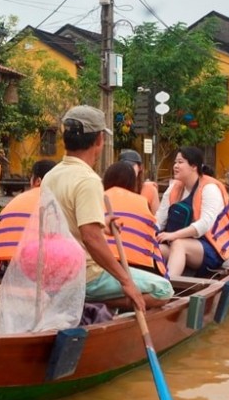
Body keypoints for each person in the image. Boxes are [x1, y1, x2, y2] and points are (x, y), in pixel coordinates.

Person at [42, 105, 172, 312]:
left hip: (50, 272)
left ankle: (80, 299)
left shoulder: (52, 175)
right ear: (99, 140)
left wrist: (102, 227)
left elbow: (65, 224)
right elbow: (91, 239)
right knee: (163, 289)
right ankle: (86, 302)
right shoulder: (88, 179)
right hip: (82, 276)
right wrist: (125, 280)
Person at [155, 146, 229, 279]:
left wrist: (173, 235)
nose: (175, 166)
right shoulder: (174, 187)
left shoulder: (210, 189)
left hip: (210, 249)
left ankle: (168, 285)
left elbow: (204, 225)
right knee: (153, 248)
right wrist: (147, 235)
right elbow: (159, 220)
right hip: (176, 244)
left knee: (179, 243)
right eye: (175, 162)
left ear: (194, 166)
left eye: (180, 162)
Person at [0, 158, 56, 272]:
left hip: (6, 269)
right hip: (35, 272)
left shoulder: (14, 201)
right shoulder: (55, 201)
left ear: (37, 181)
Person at [102, 161, 168, 279]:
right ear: (133, 182)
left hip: (101, 265)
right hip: (139, 267)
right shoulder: (141, 201)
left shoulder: (96, 199)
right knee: (164, 291)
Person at [118, 149, 159, 214]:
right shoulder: (116, 189)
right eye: (124, 166)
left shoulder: (149, 189)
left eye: (131, 166)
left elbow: (157, 219)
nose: (127, 169)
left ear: (140, 167)